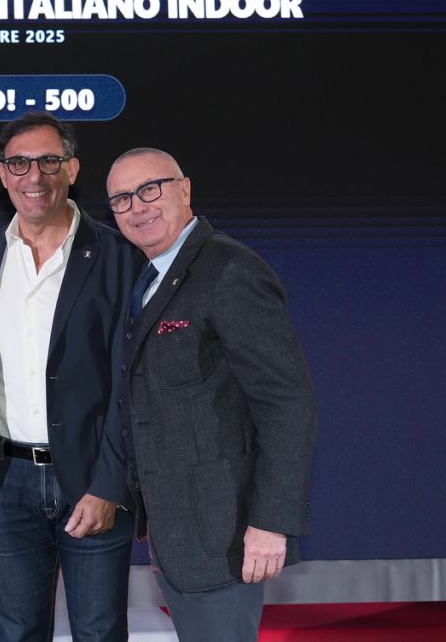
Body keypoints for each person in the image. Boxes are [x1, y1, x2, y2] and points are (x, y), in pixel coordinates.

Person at [105, 148, 317, 641]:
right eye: (121, 199)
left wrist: (271, 522)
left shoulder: (229, 269)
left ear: (185, 189)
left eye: (150, 189)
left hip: (228, 533)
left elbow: (287, 401)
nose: (138, 207)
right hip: (177, 534)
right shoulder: (145, 280)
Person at [0, 111, 139, 641]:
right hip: (4, 485)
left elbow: (132, 386)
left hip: (92, 479)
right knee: (17, 633)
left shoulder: (119, 256)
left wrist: (110, 484)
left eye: (48, 161)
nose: (33, 176)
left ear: (73, 169)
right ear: (2, 174)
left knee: (100, 633)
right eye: (19, 163)